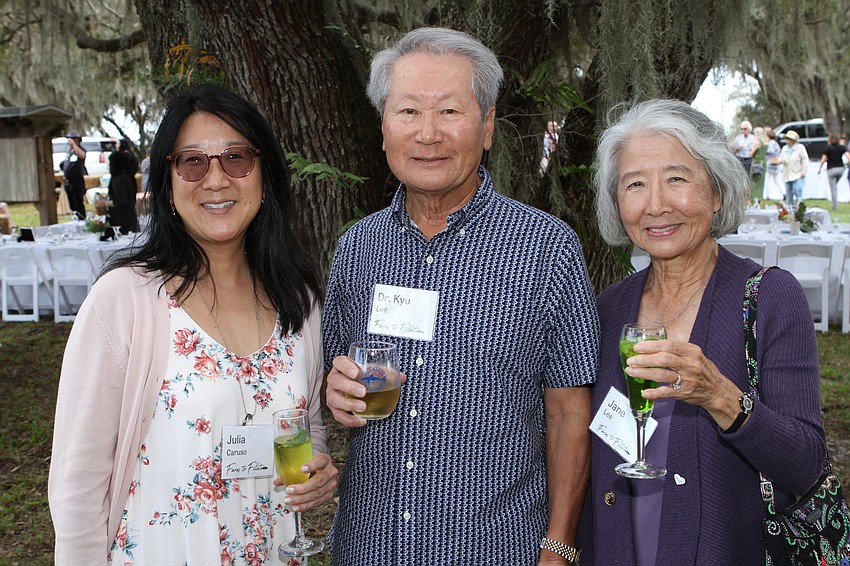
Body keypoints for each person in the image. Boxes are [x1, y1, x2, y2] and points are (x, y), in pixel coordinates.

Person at [323, 27, 599, 565]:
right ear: (383, 129)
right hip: (369, 546)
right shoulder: (357, 248)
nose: (428, 134)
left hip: (495, 548)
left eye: (449, 111)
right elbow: (331, 377)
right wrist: (335, 392)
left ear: (488, 126)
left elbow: (570, 414)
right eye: (408, 112)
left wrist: (559, 548)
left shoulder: (547, 249)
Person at [48, 85, 338, 565]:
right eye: (193, 162)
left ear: (264, 176)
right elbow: (77, 485)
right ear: (167, 185)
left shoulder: (299, 301)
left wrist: (318, 473)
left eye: (236, 159)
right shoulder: (123, 301)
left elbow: (304, 427)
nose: (216, 180)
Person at [577, 99, 826, 564]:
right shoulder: (608, 308)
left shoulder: (769, 298)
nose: (656, 204)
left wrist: (721, 397)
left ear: (717, 193)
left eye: (676, 179)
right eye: (635, 184)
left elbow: (807, 464)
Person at [106, 139, 140, 234]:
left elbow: (121, 201)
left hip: (121, 220)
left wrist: (104, 203)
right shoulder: (129, 176)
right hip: (131, 218)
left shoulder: (118, 179)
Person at [817, 132, 850, 210]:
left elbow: (823, 159)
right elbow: (848, 156)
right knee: (835, 185)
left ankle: (835, 206)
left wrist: (819, 168)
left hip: (831, 169)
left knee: (833, 188)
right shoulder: (842, 148)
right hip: (840, 169)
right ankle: (835, 202)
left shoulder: (828, 148)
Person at [60, 130, 87, 220]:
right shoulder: (69, 151)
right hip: (68, 181)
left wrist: (74, 144)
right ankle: (76, 217)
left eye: (71, 138)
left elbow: (82, 155)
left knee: (78, 202)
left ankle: (82, 219)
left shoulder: (80, 149)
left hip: (77, 181)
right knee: (72, 204)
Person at [780, 129, 809, 207]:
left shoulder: (800, 147)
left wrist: (804, 171)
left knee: (797, 189)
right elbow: (781, 158)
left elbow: (805, 160)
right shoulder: (784, 148)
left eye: (788, 138)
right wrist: (781, 160)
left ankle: (799, 206)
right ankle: (790, 207)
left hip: (798, 173)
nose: (787, 140)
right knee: (788, 191)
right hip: (787, 173)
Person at [763, 129, 785, 200]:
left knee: (767, 180)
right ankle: (784, 193)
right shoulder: (776, 143)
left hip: (770, 163)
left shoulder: (770, 143)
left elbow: (770, 151)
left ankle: (767, 195)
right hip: (776, 163)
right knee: (777, 180)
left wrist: (764, 151)